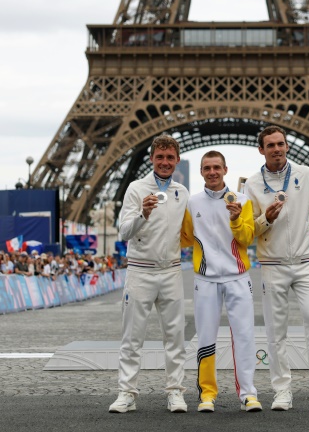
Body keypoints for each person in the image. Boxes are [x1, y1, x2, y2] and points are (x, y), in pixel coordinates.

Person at [244, 125, 309, 413]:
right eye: (270, 145)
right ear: (261, 150)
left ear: (287, 146)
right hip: (272, 265)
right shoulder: (251, 184)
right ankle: (281, 390)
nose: (277, 149)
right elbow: (248, 231)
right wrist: (267, 220)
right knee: (276, 332)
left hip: (305, 263)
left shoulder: (306, 174)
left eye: (281, 143)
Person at [109, 134, 189, 414]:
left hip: (171, 271)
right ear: (152, 159)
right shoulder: (135, 188)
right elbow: (124, 231)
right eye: (160, 157)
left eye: (170, 158)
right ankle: (127, 392)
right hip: (140, 271)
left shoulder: (182, 192)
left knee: (175, 336)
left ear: (177, 160)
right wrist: (142, 213)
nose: (165, 162)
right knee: (132, 337)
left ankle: (176, 392)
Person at [180, 150, 261, 413]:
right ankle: (207, 394)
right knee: (205, 337)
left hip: (238, 277)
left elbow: (248, 239)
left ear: (225, 169)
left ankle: (248, 393)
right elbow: (184, 238)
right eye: (207, 168)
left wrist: (237, 218)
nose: (212, 172)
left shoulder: (243, 200)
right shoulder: (192, 203)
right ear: (201, 172)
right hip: (205, 279)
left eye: (217, 167)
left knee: (245, 336)